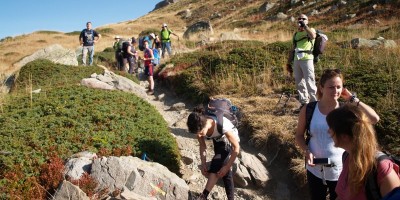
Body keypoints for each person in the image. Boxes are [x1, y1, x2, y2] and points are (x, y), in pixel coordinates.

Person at [295, 69, 380, 200]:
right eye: (331, 87)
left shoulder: (345, 110)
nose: (336, 91)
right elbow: (299, 135)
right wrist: (306, 151)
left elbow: (374, 119)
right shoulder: (309, 109)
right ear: (321, 88)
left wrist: (353, 99)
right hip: (314, 170)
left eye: (339, 87)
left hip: (341, 171)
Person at [326, 104, 400, 200]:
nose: (328, 131)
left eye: (331, 128)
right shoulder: (347, 156)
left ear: (344, 136)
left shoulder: (381, 167)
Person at [187, 105, 240, 200]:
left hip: (229, 140)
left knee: (218, 164)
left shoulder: (223, 125)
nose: (199, 135)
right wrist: (203, 163)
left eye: (200, 132)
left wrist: (227, 166)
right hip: (217, 139)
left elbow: (236, 148)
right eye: (197, 133)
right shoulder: (200, 127)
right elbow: (203, 146)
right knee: (224, 171)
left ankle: (203, 196)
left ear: (205, 124)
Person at [290, 14, 317, 107]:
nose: (301, 20)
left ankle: (314, 103)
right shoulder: (296, 34)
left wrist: (305, 26)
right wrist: (289, 62)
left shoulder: (311, 30)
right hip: (297, 59)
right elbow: (293, 48)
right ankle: (304, 103)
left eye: (303, 19)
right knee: (299, 82)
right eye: (299, 19)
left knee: (310, 81)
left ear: (307, 21)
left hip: (307, 58)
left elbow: (313, 36)